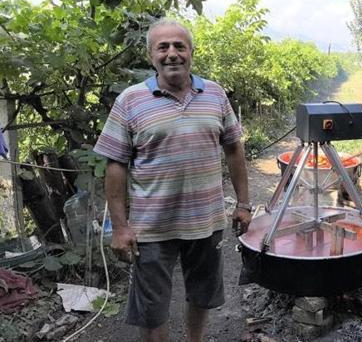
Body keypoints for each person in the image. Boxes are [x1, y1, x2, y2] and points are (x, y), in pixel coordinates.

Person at [93, 19, 252, 342]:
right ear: (151, 55)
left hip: (206, 222)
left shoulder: (215, 94)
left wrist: (244, 204)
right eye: (162, 47)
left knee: (202, 295)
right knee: (151, 309)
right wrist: (121, 227)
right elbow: (116, 166)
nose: (172, 54)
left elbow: (234, 148)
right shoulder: (130, 100)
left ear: (191, 52)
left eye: (179, 46)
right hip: (151, 228)